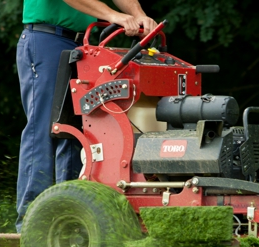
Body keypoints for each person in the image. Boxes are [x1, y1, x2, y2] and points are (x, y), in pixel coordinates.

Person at [16, 0, 157, 232]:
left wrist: (138, 14)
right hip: (47, 39)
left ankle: (68, 217)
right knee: (44, 130)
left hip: (83, 43)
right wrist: (115, 16)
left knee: (77, 134)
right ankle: (31, 222)